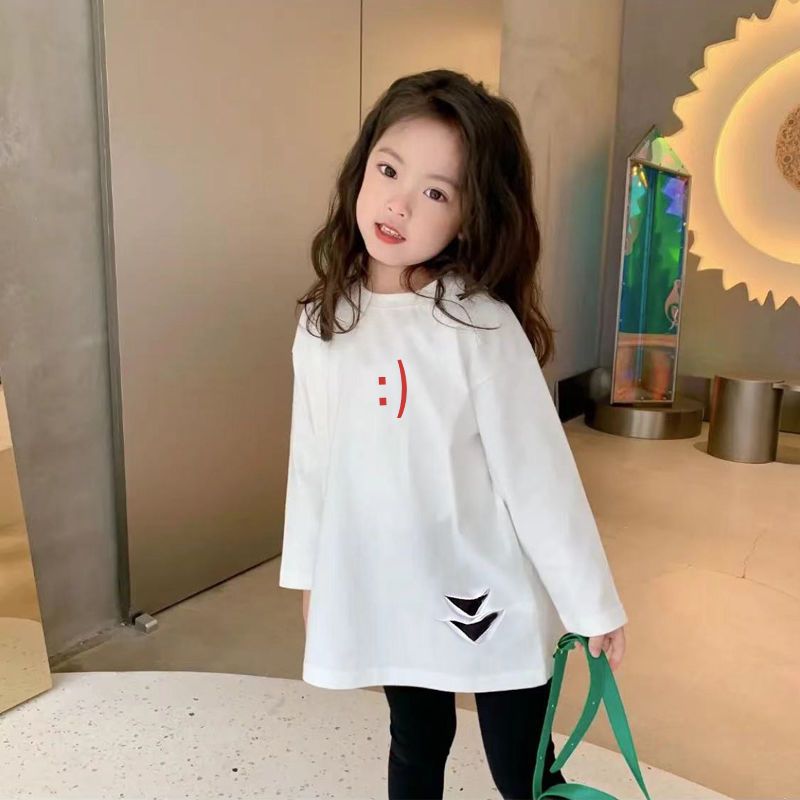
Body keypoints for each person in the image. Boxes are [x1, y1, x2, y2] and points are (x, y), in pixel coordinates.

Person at [279, 69, 627, 800]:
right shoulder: (323, 323)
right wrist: (311, 577)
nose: (400, 203)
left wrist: (590, 601)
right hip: (395, 589)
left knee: (522, 771)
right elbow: (312, 465)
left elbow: (538, 477)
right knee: (415, 745)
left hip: (488, 594)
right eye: (389, 170)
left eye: (436, 192)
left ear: (469, 218)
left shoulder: (478, 326)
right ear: (361, 169)